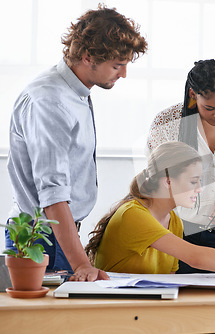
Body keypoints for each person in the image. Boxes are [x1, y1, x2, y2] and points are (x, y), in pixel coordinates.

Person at [6, 5, 147, 282]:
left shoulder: (75, 93)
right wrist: (82, 263)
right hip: (40, 237)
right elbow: (53, 192)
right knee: (41, 325)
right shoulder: (51, 101)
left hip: (57, 236)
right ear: (87, 57)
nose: (124, 74)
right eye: (117, 65)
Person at [85, 142, 215, 278]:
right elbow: (196, 256)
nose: (199, 189)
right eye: (193, 181)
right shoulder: (133, 214)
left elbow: (169, 277)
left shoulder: (173, 221)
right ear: (168, 182)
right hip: (115, 313)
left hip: (144, 312)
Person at [147, 59, 215, 273]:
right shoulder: (167, 122)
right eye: (210, 108)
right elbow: (157, 183)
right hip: (175, 229)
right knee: (178, 298)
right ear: (192, 95)